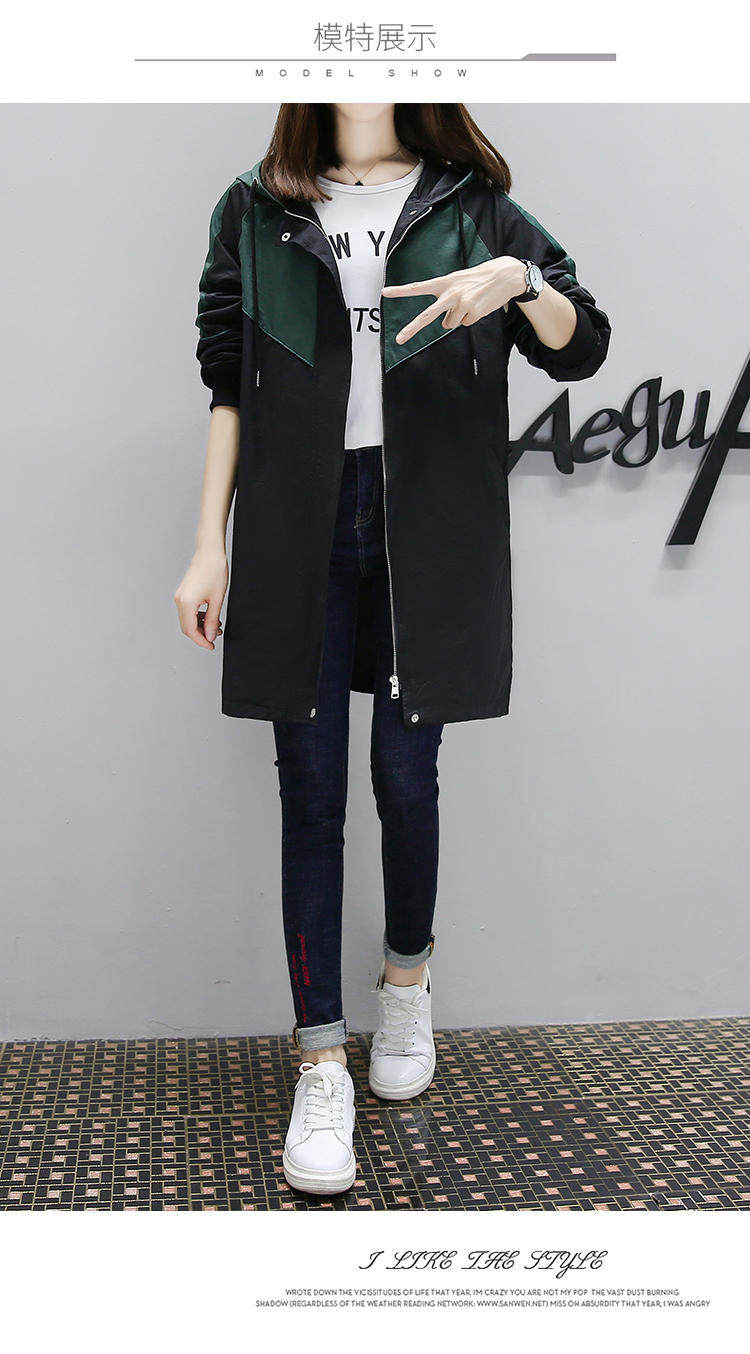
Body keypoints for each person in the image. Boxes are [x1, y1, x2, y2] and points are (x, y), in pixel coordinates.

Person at [175, 103, 611, 1196]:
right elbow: (228, 382)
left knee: (406, 777)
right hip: (297, 521)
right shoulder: (257, 208)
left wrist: (519, 281)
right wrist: (208, 545)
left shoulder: (471, 205)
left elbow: (582, 345)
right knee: (311, 793)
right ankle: (321, 1058)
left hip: (428, 521)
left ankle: (406, 984)